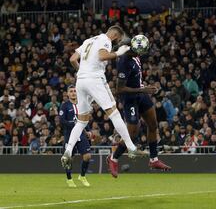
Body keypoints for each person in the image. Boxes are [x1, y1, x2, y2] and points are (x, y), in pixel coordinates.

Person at [61, 25, 147, 169]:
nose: (115, 43)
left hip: (81, 81)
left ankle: (68, 151)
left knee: (82, 121)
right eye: (117, 40)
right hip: (95, 79)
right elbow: (102, 56)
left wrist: (82, 72)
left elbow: (72, 59)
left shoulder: (89, 40)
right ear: (114, 35)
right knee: (114, 113)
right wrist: (117, 53)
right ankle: (131, 148)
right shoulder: (105, 40)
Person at [107, 43, 171, 178]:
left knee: (153, 124)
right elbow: (119, 89)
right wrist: (143, 89)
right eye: (138, 52)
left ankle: (154, 160)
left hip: (141, 95)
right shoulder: (124, 62)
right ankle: (113, 158)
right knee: (132, 133)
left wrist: (143, 89)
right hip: (129, 99)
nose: (139, 55)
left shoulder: (135, 55)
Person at [60, 85, 91, 188]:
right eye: (71, 91)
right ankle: (69, 179)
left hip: (81, 134)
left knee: (87, 156)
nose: (73, 93)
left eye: (74, 91)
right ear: (68, 94)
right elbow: (62, 121)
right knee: (69, 159)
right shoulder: (65, 106)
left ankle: (82, 176)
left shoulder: (81, 104)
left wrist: (88, 131)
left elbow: (84, 118)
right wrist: (74, 124)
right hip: (69, 135)